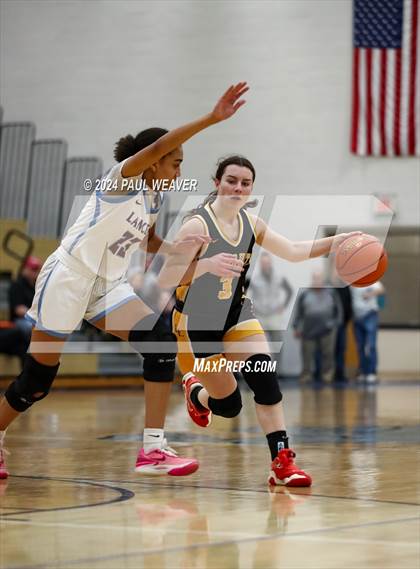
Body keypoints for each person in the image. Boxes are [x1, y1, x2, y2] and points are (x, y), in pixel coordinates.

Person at [0, 83, 249, 479]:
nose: (179, 171)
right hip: (69, 277)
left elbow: (148, 242)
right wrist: (211, 118)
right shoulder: (124, 177)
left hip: (107, 285)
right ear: (153, 161)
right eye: (175, 163)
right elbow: (159, 145)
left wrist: (181, 249)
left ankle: (152, 449)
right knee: (36, 382)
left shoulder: (152, 197)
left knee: (160, 341)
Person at [158, 155, 360, 486]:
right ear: (217, 183)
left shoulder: (252, 224)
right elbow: (166, 278)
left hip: (237, 314)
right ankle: (197, 395)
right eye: (231, 180)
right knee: (229, 405)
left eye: (245, 182)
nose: (238, 187)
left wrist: (335, 243)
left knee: (265, 379)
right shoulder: (196, 225)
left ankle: (281, 463)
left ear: (252, 188)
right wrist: (208, 265)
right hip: (197, 322)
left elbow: (294, 250)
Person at [247, 252, 293, 377]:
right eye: (263, 263)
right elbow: (245, 293)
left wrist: (283, 306)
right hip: (260, 315)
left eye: (267, 263)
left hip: (274, 316)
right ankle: (261, 372)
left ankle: (277, 371)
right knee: (259, 346)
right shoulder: (254, 279)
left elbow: (289, 290)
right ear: (260, 265)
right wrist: (251, 308)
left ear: (270, 263)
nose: (265, 265)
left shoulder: (279, 277)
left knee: (277, 344)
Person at [293, 270, 342, 383]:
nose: (317, 281)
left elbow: (338, 310)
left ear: (323, 280)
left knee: (328, 354)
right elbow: (298, 312)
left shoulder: (331, 292)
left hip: (327, 329)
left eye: (319, 278)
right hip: (308, 330)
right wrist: (296, 327)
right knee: (307, 354)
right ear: (312, 279)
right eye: (315, 278)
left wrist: (335, 323)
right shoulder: (305, 294)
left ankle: (327, 375)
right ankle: (306, 375)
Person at [351, 281, 385, 384]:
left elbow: (381, 290)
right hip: (357, 317)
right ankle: (363, 371)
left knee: (370, 345)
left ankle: (372, 372)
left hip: (370, 314)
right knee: (360, 345)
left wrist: (369, 294)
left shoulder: (372, 279)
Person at [8, 256, 42, 343]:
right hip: (19, 320)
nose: (36, 272)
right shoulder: (17, 285)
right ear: (25, 269)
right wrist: (37, 317)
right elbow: (19, 310)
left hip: (35, 319)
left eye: (37, 269)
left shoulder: (38, 286)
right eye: (33, 269)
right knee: (31, 327)